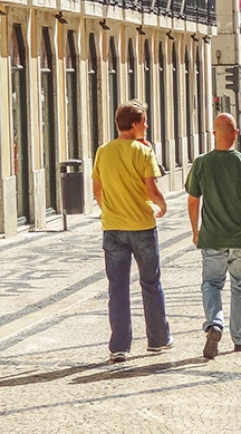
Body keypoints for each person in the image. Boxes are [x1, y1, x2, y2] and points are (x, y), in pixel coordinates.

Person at [91, 100, 172, 363]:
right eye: (145, 121)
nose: (147, 126)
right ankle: (158, 340)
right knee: (150, 283)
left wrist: (108, 210)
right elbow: (152, 190)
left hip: (113, 228)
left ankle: (119, 346)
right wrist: (162, 205)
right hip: (142, 227)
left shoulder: (103, 151)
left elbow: (97, 189)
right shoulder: (143, 152)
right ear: (135, 124)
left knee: (117, 287)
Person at [185, 113, 241, 359]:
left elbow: (192, 201)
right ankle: (240, 338)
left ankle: (214, 323)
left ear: (213, 135)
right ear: (235, 135)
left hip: (212, 237)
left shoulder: (201, 163)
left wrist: (195, 231)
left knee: (211, 284)